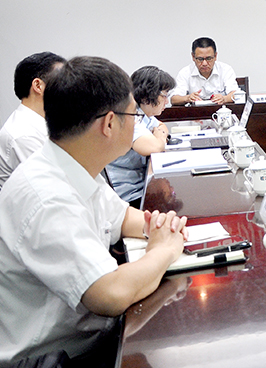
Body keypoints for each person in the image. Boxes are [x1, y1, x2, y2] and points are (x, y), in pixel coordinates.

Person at [0, 56, 188, 364]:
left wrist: (159, 225)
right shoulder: (47, 196)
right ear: (109, 123)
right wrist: (164, 249)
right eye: (133, 115)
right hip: (58, 357)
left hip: (90, 337)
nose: (137, 123)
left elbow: (122, 217)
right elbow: (111, 294)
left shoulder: (72, 164)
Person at [106, 66, 175, 207]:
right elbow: (154, 148)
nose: (167, 101)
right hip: (127, 195)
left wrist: (159, 137)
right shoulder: (130, 116)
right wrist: (160, 139)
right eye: (164, 96)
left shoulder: (143, 113)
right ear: (148, 95)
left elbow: (161, 126)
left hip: (139, 184)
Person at [0, 52, 65, 189]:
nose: (71, 88)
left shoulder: (46, 125)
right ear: (38, 86)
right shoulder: (23, 135)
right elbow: (54, 186)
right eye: (63, 81)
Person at [169, 37, 238, 106]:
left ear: (215, 56)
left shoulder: (225, 70)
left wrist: (224, 98)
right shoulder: (185, 72)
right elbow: (174, 99)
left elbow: (236, 95)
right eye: (200, 59)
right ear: (193, 57)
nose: (204, 63)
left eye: (209, 58)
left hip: (221, 110)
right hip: (195, 111)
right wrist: (187, 98)